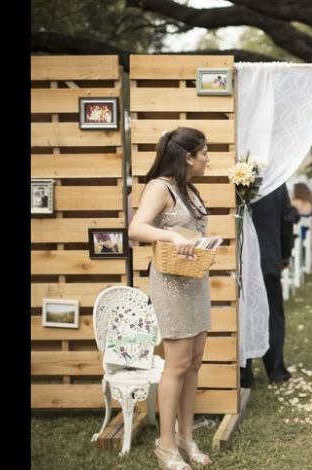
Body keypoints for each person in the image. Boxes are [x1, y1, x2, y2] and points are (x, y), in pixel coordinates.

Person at [128, 127, 213, 469]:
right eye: (204, 152)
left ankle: (185, 437)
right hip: (171, 286)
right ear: (188, 157)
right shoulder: (159, 187)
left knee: (193, 362)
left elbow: (192, 232)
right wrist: (171, 237)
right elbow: (136, 228)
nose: (208, 159)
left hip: (196, 282)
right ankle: (165, 446)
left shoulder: (188, 188)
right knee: (176, 365)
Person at [239, 183, 299, 387]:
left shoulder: (233, 178)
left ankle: (244, 373)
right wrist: (284, 254)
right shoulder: (277, 183)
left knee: (242, 313)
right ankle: (276, 370)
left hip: (240, 259)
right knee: (272, 313)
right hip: (268, 257)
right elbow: (286, 220)